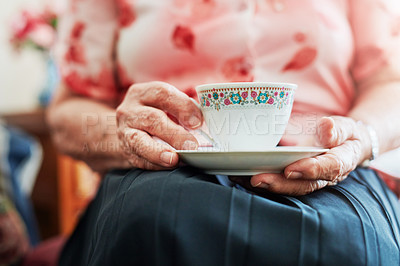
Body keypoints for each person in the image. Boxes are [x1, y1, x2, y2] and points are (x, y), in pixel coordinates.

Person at [47, 0, 400, 265]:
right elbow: (68, 110)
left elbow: (389, 81)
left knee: (352, 244)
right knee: (155, 222)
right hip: (162, 167)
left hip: (328, 167)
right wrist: (125, 135)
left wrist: (360, 138)